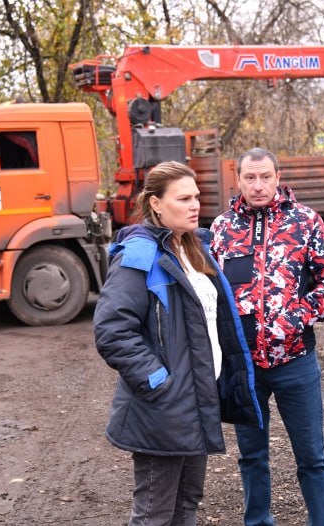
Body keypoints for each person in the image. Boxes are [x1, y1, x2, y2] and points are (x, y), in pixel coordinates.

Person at [94, 160, 262, 526]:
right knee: (154, 513)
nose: (194, 205)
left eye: (196, 197)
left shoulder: (194, 248)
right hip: (163, 407)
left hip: (197, 400)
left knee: (186, 505)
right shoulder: (140, 256)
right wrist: (158, 381)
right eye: (183, 198)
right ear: (156, 204)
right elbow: (111, 329)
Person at [210, 147, 324, 526]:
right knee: (251, 455)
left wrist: (299, 315)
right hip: (245, 366)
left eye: (265, 177)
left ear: (278, 176)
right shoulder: (222, 228)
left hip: (295, 361)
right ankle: (257, 521)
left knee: (312, 456)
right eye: (250, 178)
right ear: (238, 179)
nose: (258, 186)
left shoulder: (305, 222)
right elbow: (212, 292)